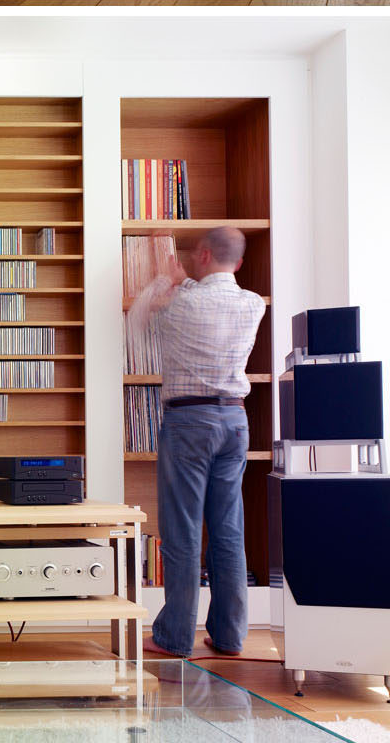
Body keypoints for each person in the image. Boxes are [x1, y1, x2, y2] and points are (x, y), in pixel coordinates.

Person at [127, 224, 265, 658]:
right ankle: (229, 636)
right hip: (235, 420)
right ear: (238, 263)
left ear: (203, 255)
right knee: (228, 528)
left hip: (189, 421)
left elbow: (134, 325)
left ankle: (174, 636)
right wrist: (182, 279)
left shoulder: (181, 301)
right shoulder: (252, 304)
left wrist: (164, 279)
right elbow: (209, 293)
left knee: (182, 529)